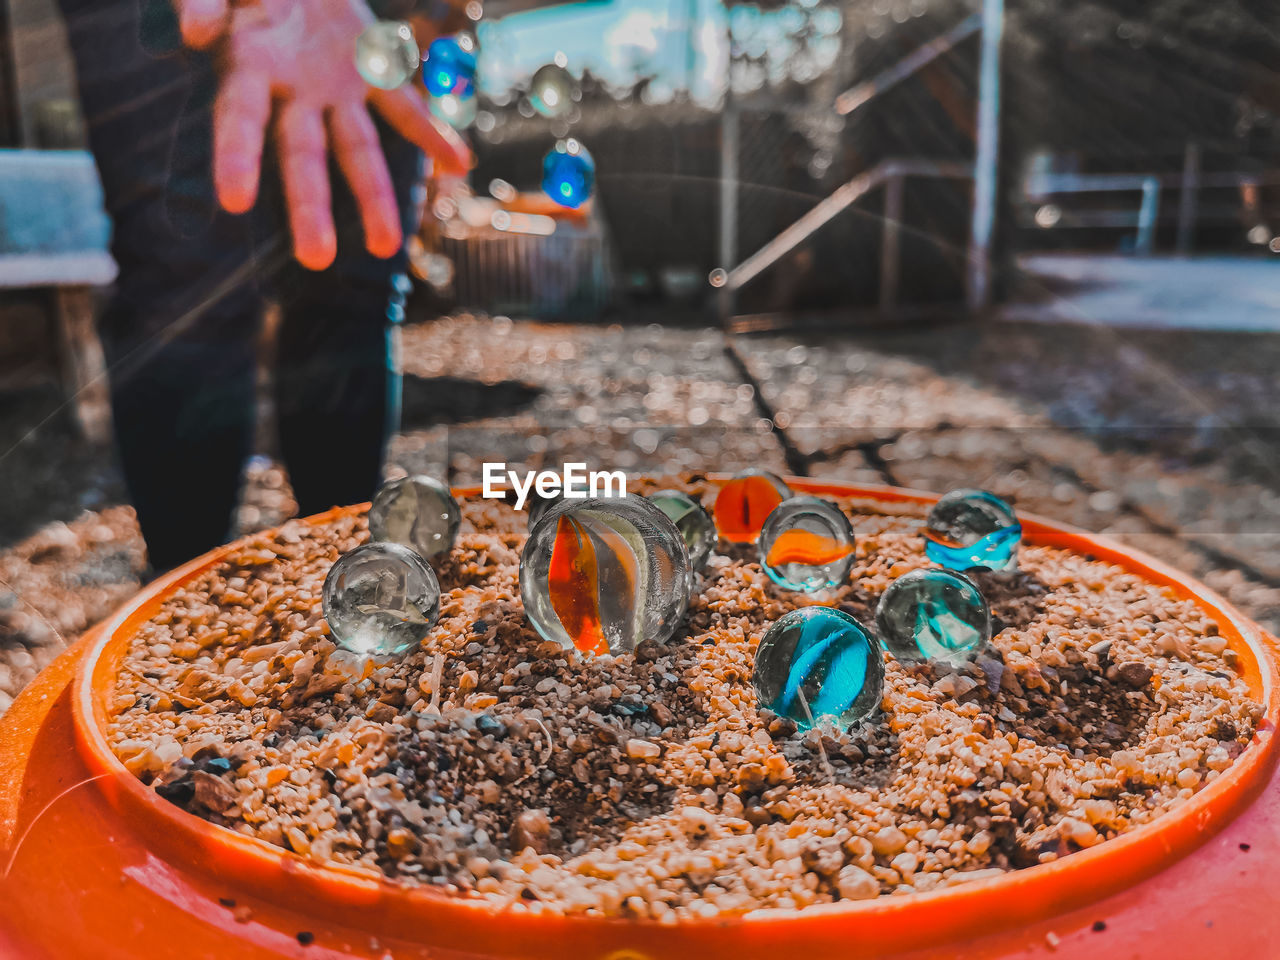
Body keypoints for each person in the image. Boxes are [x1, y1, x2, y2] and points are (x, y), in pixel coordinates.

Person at [56, 0, 471, 571]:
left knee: (354, 283)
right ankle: (180, 600)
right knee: (184, 291)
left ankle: (343, 572)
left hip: (357, 20)